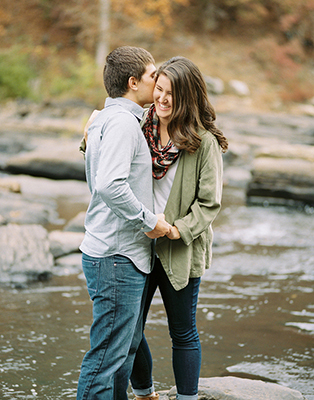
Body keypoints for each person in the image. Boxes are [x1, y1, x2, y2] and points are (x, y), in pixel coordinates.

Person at [128, 56, 228, 400]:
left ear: (189, 97)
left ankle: (187, 398)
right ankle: (144, 394)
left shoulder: (203, 142)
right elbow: (105, 154)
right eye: (159, 89)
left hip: (179, 247)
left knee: (183, 332)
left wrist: (175, 230)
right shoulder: (140, 124)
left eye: (172, 93)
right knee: (130, 331)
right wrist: (90, 131)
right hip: (137, 245)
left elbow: (209, 204)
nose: (162, 99)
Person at [77, 46, 172, 400]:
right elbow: (109, 185)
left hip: (115, 252)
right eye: (151, 76)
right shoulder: (120, 124)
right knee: (105, 360)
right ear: (133, 83)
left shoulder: (104, 119)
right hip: (117, 256)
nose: (157, 81)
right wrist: (149, 221)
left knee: (121, 356)